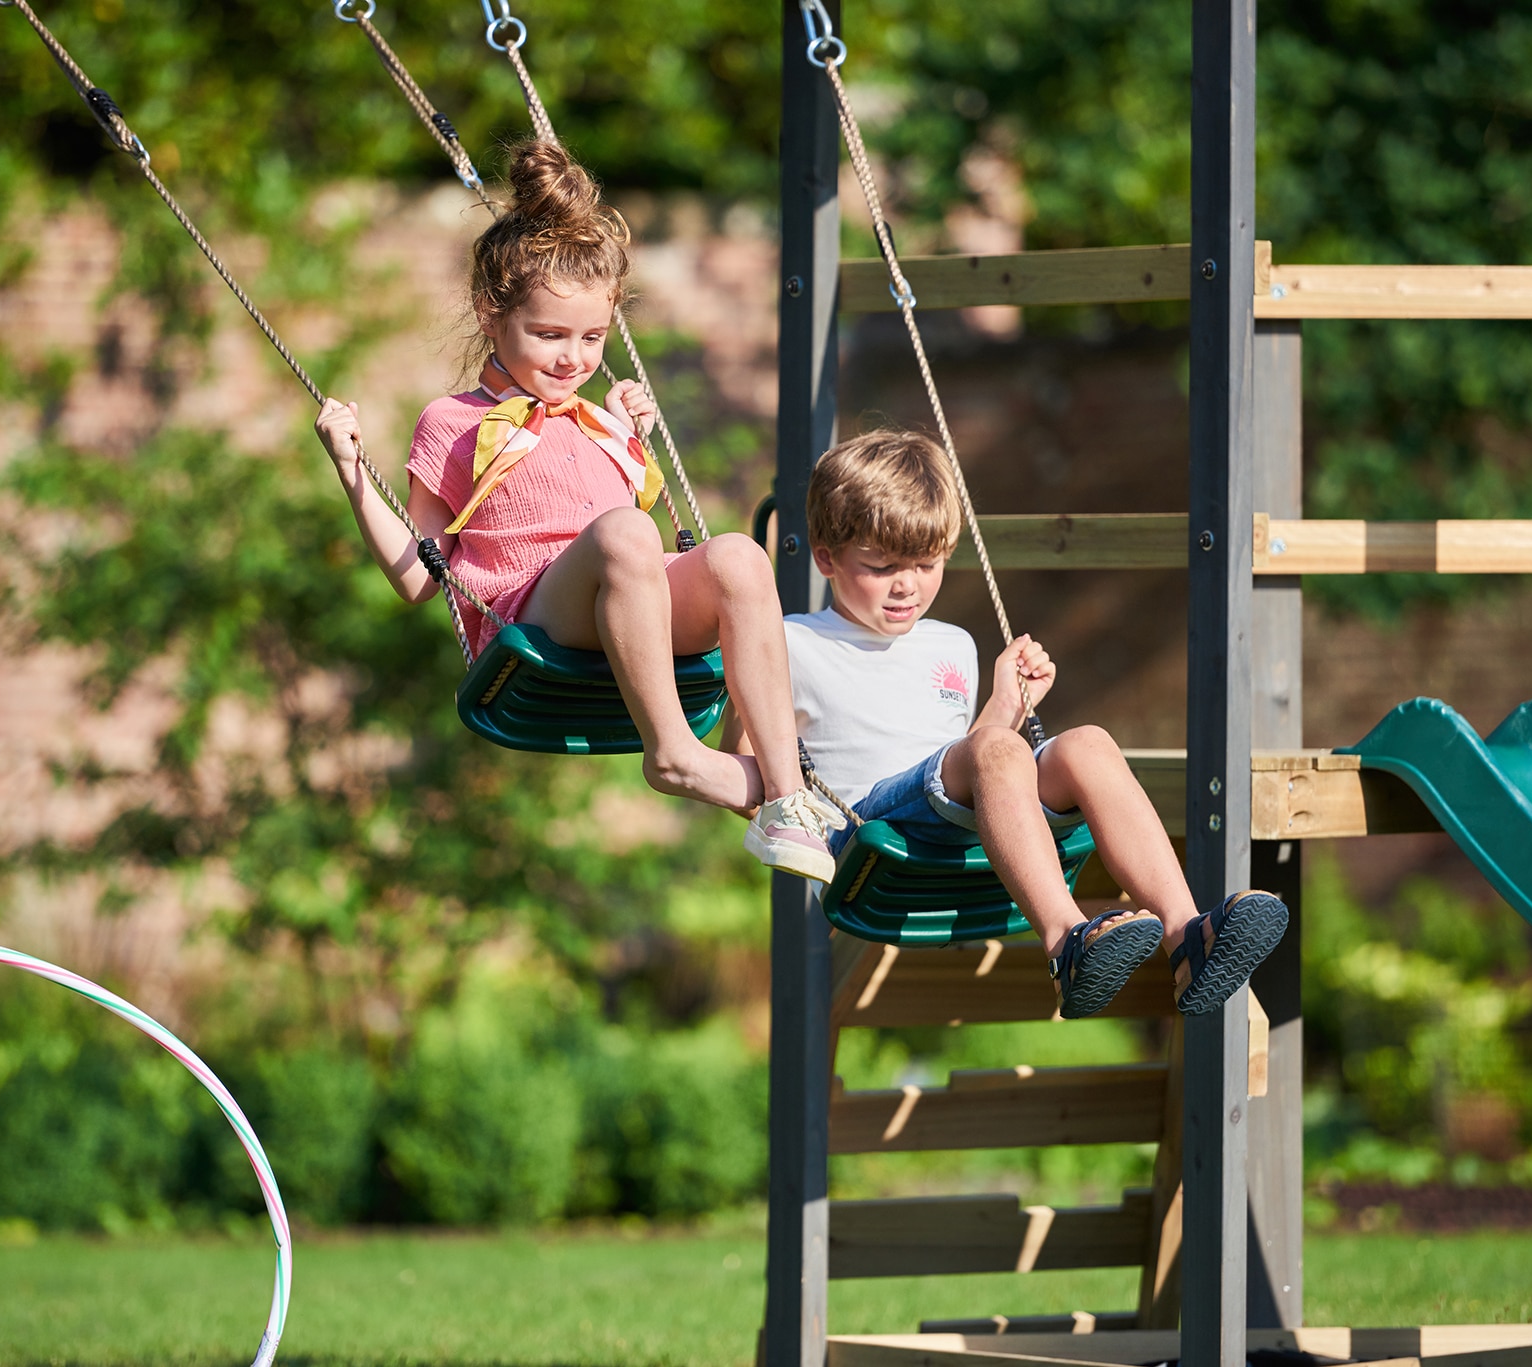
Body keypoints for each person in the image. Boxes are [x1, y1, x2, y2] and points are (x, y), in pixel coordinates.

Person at [314, 140, 840, 882]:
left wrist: (631, 438)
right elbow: (417, 578)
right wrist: (350, 469)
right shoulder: (452, 421)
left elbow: (621, 527)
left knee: (738, 556)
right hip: (535, 614)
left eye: (592, 338)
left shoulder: (598, 419)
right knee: (628, 532)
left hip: (630, 600)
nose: (573, 360)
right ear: (489, 316)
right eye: (550, 336)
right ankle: (674, 754)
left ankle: (779, 792)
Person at [755, 429, 1287, 1017]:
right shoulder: (790, 641)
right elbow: (750, 758)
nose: (907, 584)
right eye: (881, 566)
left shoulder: (952, 644)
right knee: (996, 750)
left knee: (1087, 743)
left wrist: (1006, 703)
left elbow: (965, 763)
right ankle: (1066, 943)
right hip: (870, 832)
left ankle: (1188, 937)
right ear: (826, 558)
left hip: (949, 813)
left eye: (927, 563)